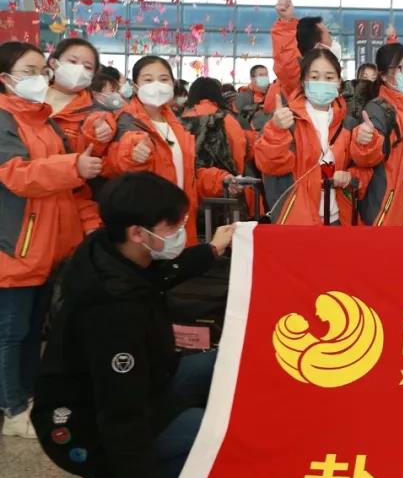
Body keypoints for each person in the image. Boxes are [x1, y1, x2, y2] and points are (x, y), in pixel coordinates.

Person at [34, 172, 235, 478]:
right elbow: (121, 416)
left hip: (140, 381)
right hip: (84, 423)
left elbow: (160, 276)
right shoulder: (112, 312)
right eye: (173, 227)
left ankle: (169, 469)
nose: (181, 232)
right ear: (138, 233)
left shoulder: (111, 251)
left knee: (221, 365)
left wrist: (212, 249)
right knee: (210, 431)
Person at [0, 42, 103, 438]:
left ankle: (26, 397)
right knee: (10, 334)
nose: (39, 77)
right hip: (15, 245)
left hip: (44, 247)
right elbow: (16, 174)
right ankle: (11, 407)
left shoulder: (43, 120)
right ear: (5, 78)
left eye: (41, 70)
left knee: (31, 332)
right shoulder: (5, 119)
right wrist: (72, 165)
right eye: (28, 71)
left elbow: (70, 191)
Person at [105, 56, 234, 245]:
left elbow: (188, 174)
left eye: (163, 79)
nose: (156, 85)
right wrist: (132, 156)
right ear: (135, 86)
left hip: (180, 223)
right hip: (146, 230)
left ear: (172, 84)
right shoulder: (125, 122)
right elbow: (115, 163)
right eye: (148, 80)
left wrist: (221, 180)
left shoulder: (176, 125)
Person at [255, 50, 365, 225]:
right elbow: (270, 165)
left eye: (329, 77)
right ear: (303, 82)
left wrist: (348, 175)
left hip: (338, 218)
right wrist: (276, 130)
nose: (322, 82)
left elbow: (363, 167)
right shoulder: (287, 120)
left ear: (339, 82)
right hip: (298, 220)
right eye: (314, 77)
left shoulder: (348, 123)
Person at [350, 42, 403, 226]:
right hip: (385, 206)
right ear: (383, 75)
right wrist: (365, 141)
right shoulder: (378, 109)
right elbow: (366, 159)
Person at [45, 38, 115, 155]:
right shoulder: (29, 97)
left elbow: (96, 153)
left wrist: (99, 136)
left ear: (92, 75)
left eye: (87, 67)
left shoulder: (96, 113)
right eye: (72, 61)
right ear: (53, 62)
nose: (79, 69)